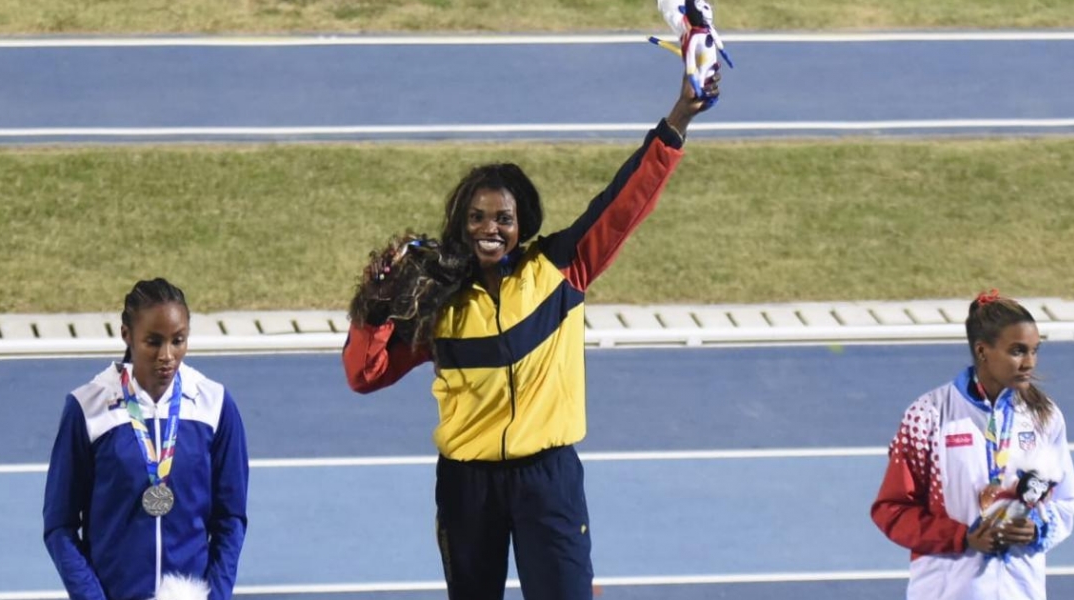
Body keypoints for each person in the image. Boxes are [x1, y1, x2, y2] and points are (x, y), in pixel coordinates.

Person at [342, 68, 720, 600]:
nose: (488, 229)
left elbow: (626, 200)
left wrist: (679, 117)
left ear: (524, 221)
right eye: (475, 217)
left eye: (502, 217)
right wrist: (375, 308)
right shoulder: (438, 302)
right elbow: (365, 373)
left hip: (549, 481)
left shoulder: (562, 269)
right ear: (459, 222)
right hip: (467, 486)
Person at [43, 278, 249, 600]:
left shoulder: (214, 405)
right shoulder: (88, 408)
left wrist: (215, 595)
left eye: (178, 340)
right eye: (153, 341)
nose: (167, 355)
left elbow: (231, 518)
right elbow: (60, 525)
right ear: (127, 335)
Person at [871, 290, 1074, 599]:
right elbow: (892, 510)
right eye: (1018, 351)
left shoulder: (1044, 416)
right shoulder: (928, 415)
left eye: (1035, 350)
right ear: (983, 351)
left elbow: (1065, 501)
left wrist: (1038, 528)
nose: (1029, 363)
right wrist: (963, 537)